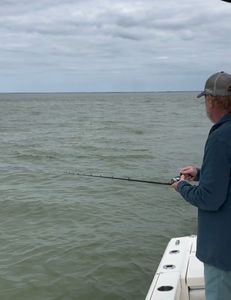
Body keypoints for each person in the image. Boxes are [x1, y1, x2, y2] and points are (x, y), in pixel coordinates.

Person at [171, 71, 231, 300]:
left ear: (211, 100)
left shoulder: (221, 136)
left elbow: (209, 198)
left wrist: (181, 186)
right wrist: (200, 173)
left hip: (223, 253)